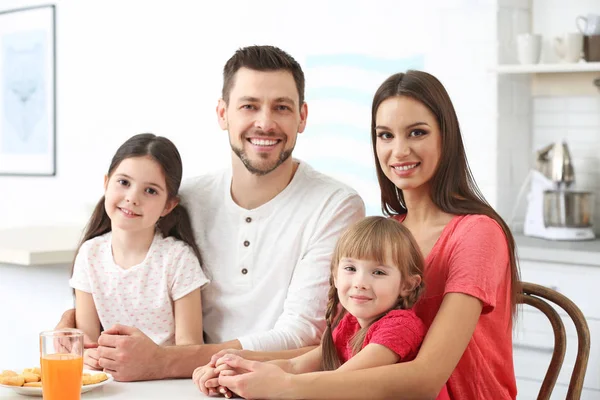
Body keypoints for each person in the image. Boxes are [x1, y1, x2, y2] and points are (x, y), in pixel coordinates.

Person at [55, 45, 365, 382]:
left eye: (282, 107)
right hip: (185, 386)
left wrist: (166, 361)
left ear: (302, 116)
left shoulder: (335, 205)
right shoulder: (186, 197)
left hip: (278, 385)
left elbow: (302, 334)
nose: (265, 122)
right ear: (222, 114)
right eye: (249, 106)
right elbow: (138, 281)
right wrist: (72, 320)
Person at [213, 70, 520, 400]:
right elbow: (341, 351)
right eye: (385, 135)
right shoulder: (389, 235)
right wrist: (236, 365)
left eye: (417, 133)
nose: (399, 151)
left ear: (446, 137)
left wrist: (286, 386)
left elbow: (426, 378)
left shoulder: (478, 234)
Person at [196, 216, 450, 399]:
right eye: (350, 269)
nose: (360, 283)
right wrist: (232, 373)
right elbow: (296, 366)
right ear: (335, 276)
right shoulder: (348, 324)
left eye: (378, 272)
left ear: (407, 285)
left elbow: (342, 380)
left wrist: (274, 384)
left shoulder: (400, 326)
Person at [69, 133, 208, 369]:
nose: (132, 198)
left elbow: (190, 348)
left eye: (150, 191)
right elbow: (87, 341)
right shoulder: (89, 255)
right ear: (106, 183)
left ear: (168, 205)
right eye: (124, 182)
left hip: (166, 382)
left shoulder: (177, 260)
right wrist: (88, 355)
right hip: (112, 380)